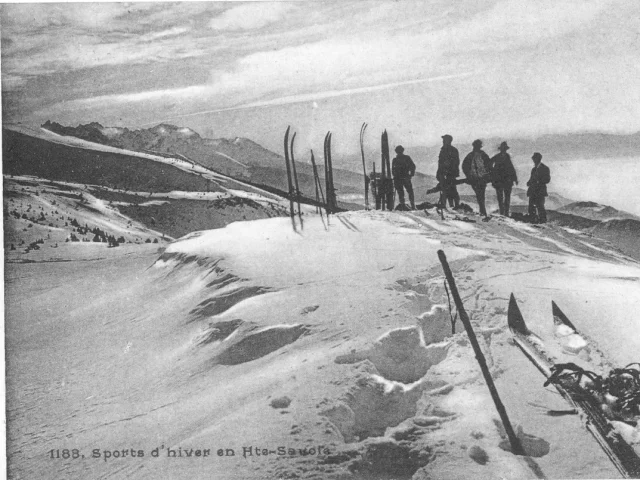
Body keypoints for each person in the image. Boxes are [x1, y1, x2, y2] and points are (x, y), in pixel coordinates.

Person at [462, 139, 492, 217]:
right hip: (474, 179)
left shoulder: (483, 155)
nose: (477, 147)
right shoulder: (470, 155)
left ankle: (482, 211)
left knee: (481, 194)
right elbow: (464, 166)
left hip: (482, 178)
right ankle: (482, 211)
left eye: (478, 146)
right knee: (480, 194)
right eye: (476, 146)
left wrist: (487, 174)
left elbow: (489, 165)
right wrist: (468, 176)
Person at [490, 141, 518, 216]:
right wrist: (493, 172)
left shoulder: (507, 156)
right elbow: (489, 163)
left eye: (505, 149)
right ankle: (502, 212)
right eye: (503, 149)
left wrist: (515, 178)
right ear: (501, 149)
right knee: (500, 197)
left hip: (507, 180)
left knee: (507, 197)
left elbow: (511, 168)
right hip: (499, 180)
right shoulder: (496, 157)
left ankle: (506, 213)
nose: (504, 150)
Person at [436, 134, 460, 209]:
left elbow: (456, 163)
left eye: (444, 140)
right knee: (445, 189)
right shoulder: (443, 149)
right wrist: (439, 173)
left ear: (448, 141)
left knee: (452, 189)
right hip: (443, 173)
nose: (443, 141)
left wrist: (448, 171)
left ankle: (455, 205)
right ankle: (445, 205)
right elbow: (440, 163)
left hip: (450, 173)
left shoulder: (452, 150)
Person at [527, 152, 550, 223]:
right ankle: (533, 220)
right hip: (533, 191)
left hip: (540, 191)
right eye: (533, 159)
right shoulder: (533, 169)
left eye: (535, 158)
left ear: (539, 159)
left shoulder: (545, 168)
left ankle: (543, 221)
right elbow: (531, 179)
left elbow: (547, 179)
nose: (533, 160)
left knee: (540, 207)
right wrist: (529, 182)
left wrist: (539, 181)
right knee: (531, 206)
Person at [392, 145, 416, 209]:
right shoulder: (404, 158)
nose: (399, 152)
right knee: (407, 192)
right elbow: (412, 166)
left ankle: (407, 206)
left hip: (402, 178)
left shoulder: (398, 159)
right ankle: (410, 206)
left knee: (403, 193)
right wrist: (411, 175)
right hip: (403, 178)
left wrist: (411, 175)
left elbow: (412, 166)